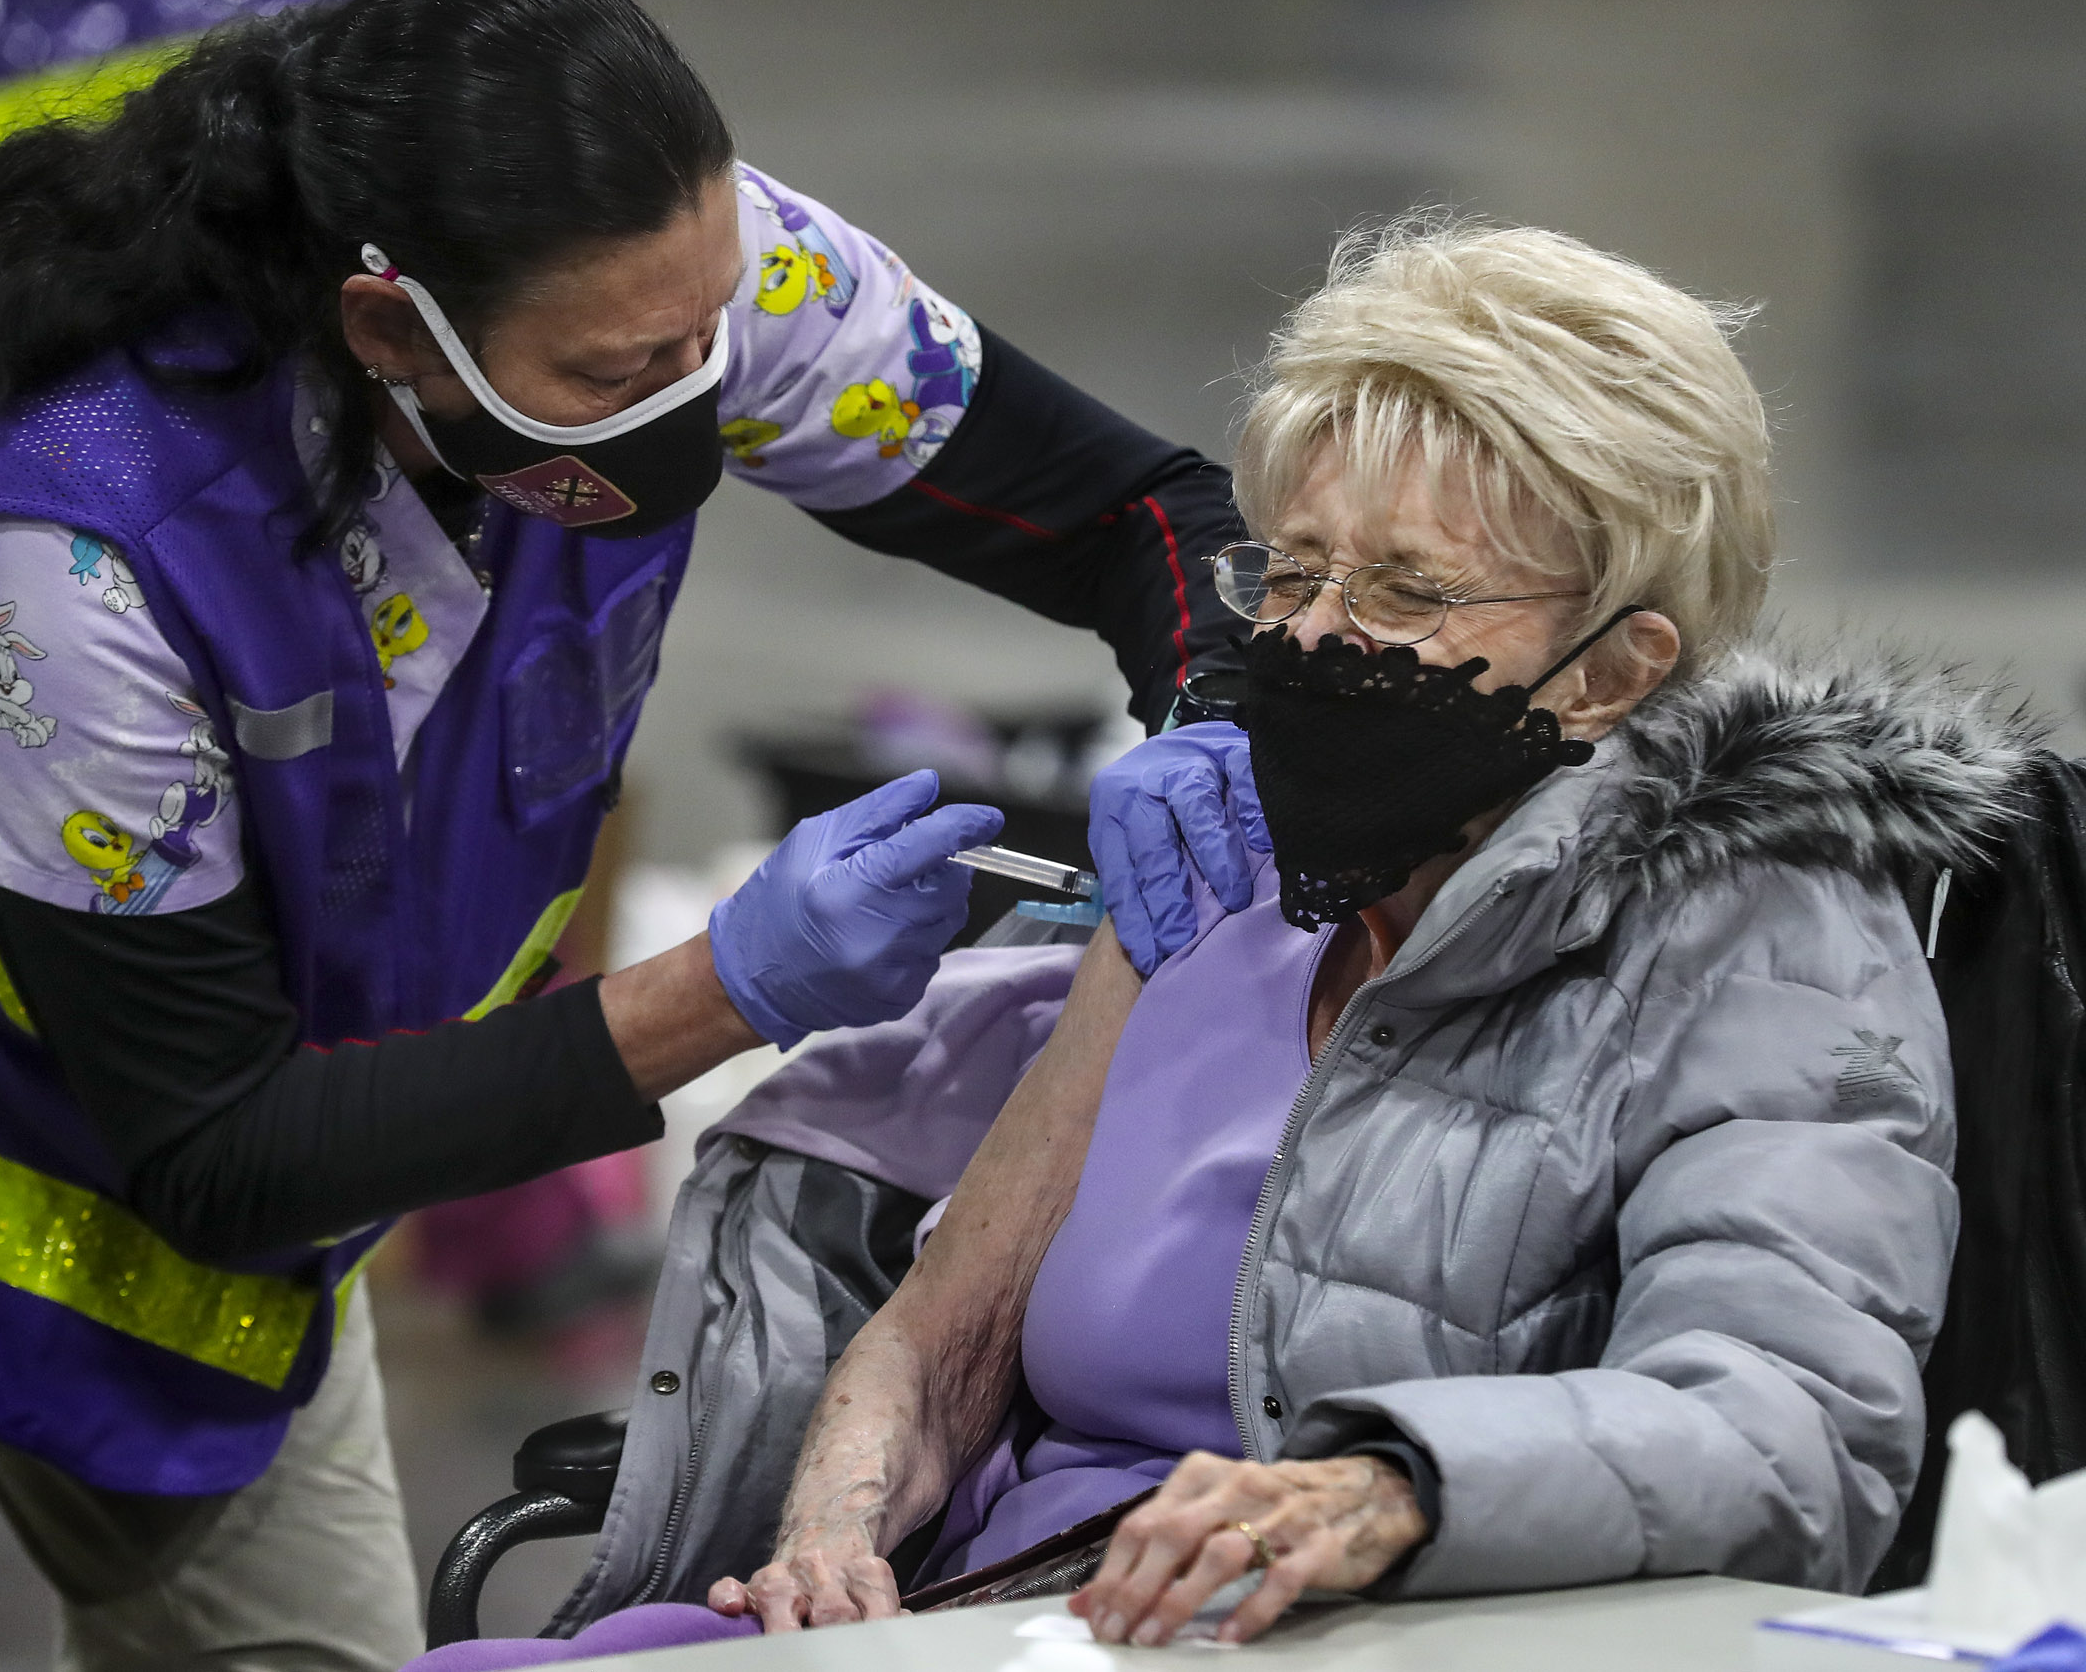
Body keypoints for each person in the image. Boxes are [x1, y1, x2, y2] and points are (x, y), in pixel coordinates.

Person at [0, 0, 1252, 1672]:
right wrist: (735, 985)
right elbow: (221, 1151)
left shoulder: (692, 282)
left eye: (701, 337)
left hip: (238, 1049)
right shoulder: (58, 545)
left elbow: (1143, 513)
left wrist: (1227, 719)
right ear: (390, 331)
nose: (684, 393)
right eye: (606, 375)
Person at [402, 215, 2022, 1668]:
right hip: (1018, 1610)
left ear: (1611, 670)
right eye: (1293, 572)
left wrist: (1385, 1492)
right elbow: (948, 1335)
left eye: (1404, 594)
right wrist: (834, 1531)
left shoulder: (1761, 934)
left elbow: (1787, 1430)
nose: (1310, 640)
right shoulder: (1215, 859)